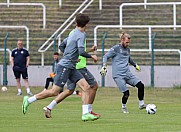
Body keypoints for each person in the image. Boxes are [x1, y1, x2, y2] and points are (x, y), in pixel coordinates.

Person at [22, 13, 99, 121]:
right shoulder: (81, 35)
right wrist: (92, 56)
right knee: (54, 91)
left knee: (86, 87)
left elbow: (62, 46)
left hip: (71, 66)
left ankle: (85, 114)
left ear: (76, 23)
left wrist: (71, 56)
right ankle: (29, 100)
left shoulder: (72, 32)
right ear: (87, 24)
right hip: (65, 66)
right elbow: (81, 51)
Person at [42, 35, 100, 118]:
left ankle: (49, 107)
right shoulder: (79, 37)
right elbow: (78, 52)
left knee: (69, 90)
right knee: (92, 86)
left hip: (73, 67)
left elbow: (80, 52)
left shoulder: (78, 37)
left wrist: (90, 50)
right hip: (79, 67)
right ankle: (88, 111)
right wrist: (91, 56)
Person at [100, 32, 147, 114]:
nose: (128, 44)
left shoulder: (128, 49)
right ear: (122, 40)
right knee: (126, 93)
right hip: (118, 75)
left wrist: (135, 65)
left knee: (141, 85)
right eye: (126, 42)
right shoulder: (116, 48)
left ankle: (141, 104)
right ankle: (124, 107)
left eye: (129, 42)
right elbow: (105, 56)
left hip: (127, 74)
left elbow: (129, 59)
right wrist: (104, 66)